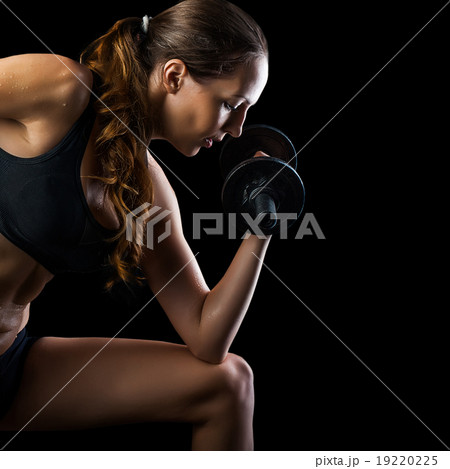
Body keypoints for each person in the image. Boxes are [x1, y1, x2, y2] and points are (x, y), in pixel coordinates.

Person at [0, 0, 269, 450]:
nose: (238, 129)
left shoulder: (145, 193)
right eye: (230, 105)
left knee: (229, 382)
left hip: (9, 363)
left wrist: (262, 224)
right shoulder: (58, 88)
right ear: (175, 76)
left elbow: (207, 336)